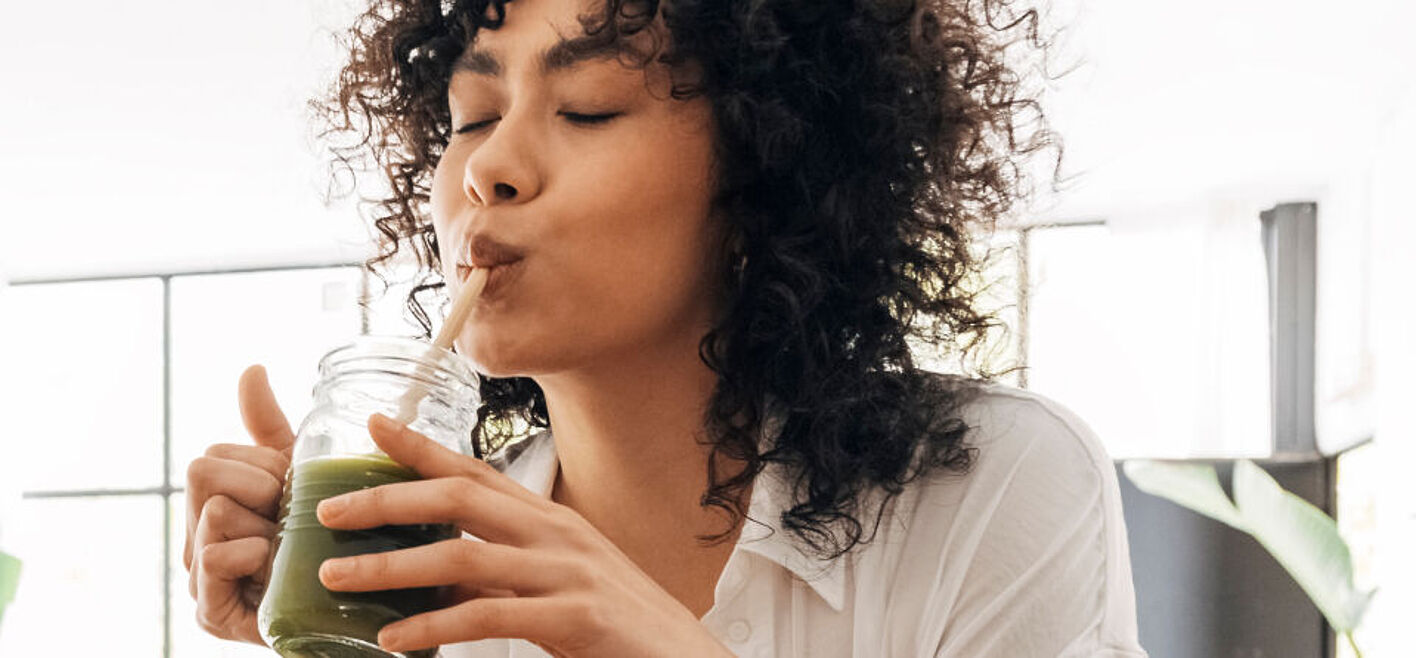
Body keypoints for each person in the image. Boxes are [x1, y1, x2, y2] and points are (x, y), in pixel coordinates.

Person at [184, 0, 1149, 655]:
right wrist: (323, 625)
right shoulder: (434, 577)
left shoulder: (994, 483)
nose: (490, 169)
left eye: (588, 108)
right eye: (473, 117)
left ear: (764, 175)